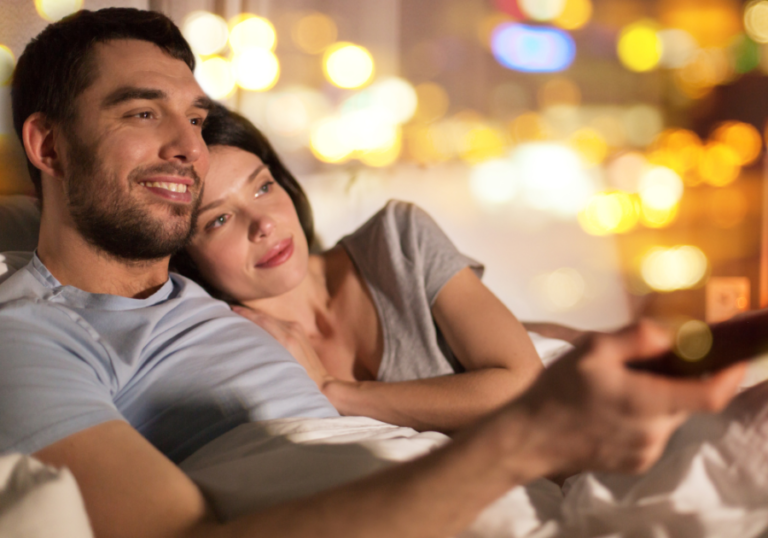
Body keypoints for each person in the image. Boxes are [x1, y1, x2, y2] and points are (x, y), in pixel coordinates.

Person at [0, 8, 745, 538]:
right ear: (50, 146)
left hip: (483, 491)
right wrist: (528, 438)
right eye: (141, 115)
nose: (187, 148)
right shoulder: (28, 334)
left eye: (194, 119)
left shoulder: (210, 291)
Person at [171, 105, 544, 433]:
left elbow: (523, 384)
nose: (263, 224)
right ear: (186, 255)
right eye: (219, 219)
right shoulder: (223, 345)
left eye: (263, 188)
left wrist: (336, 391)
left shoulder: (398, 241)